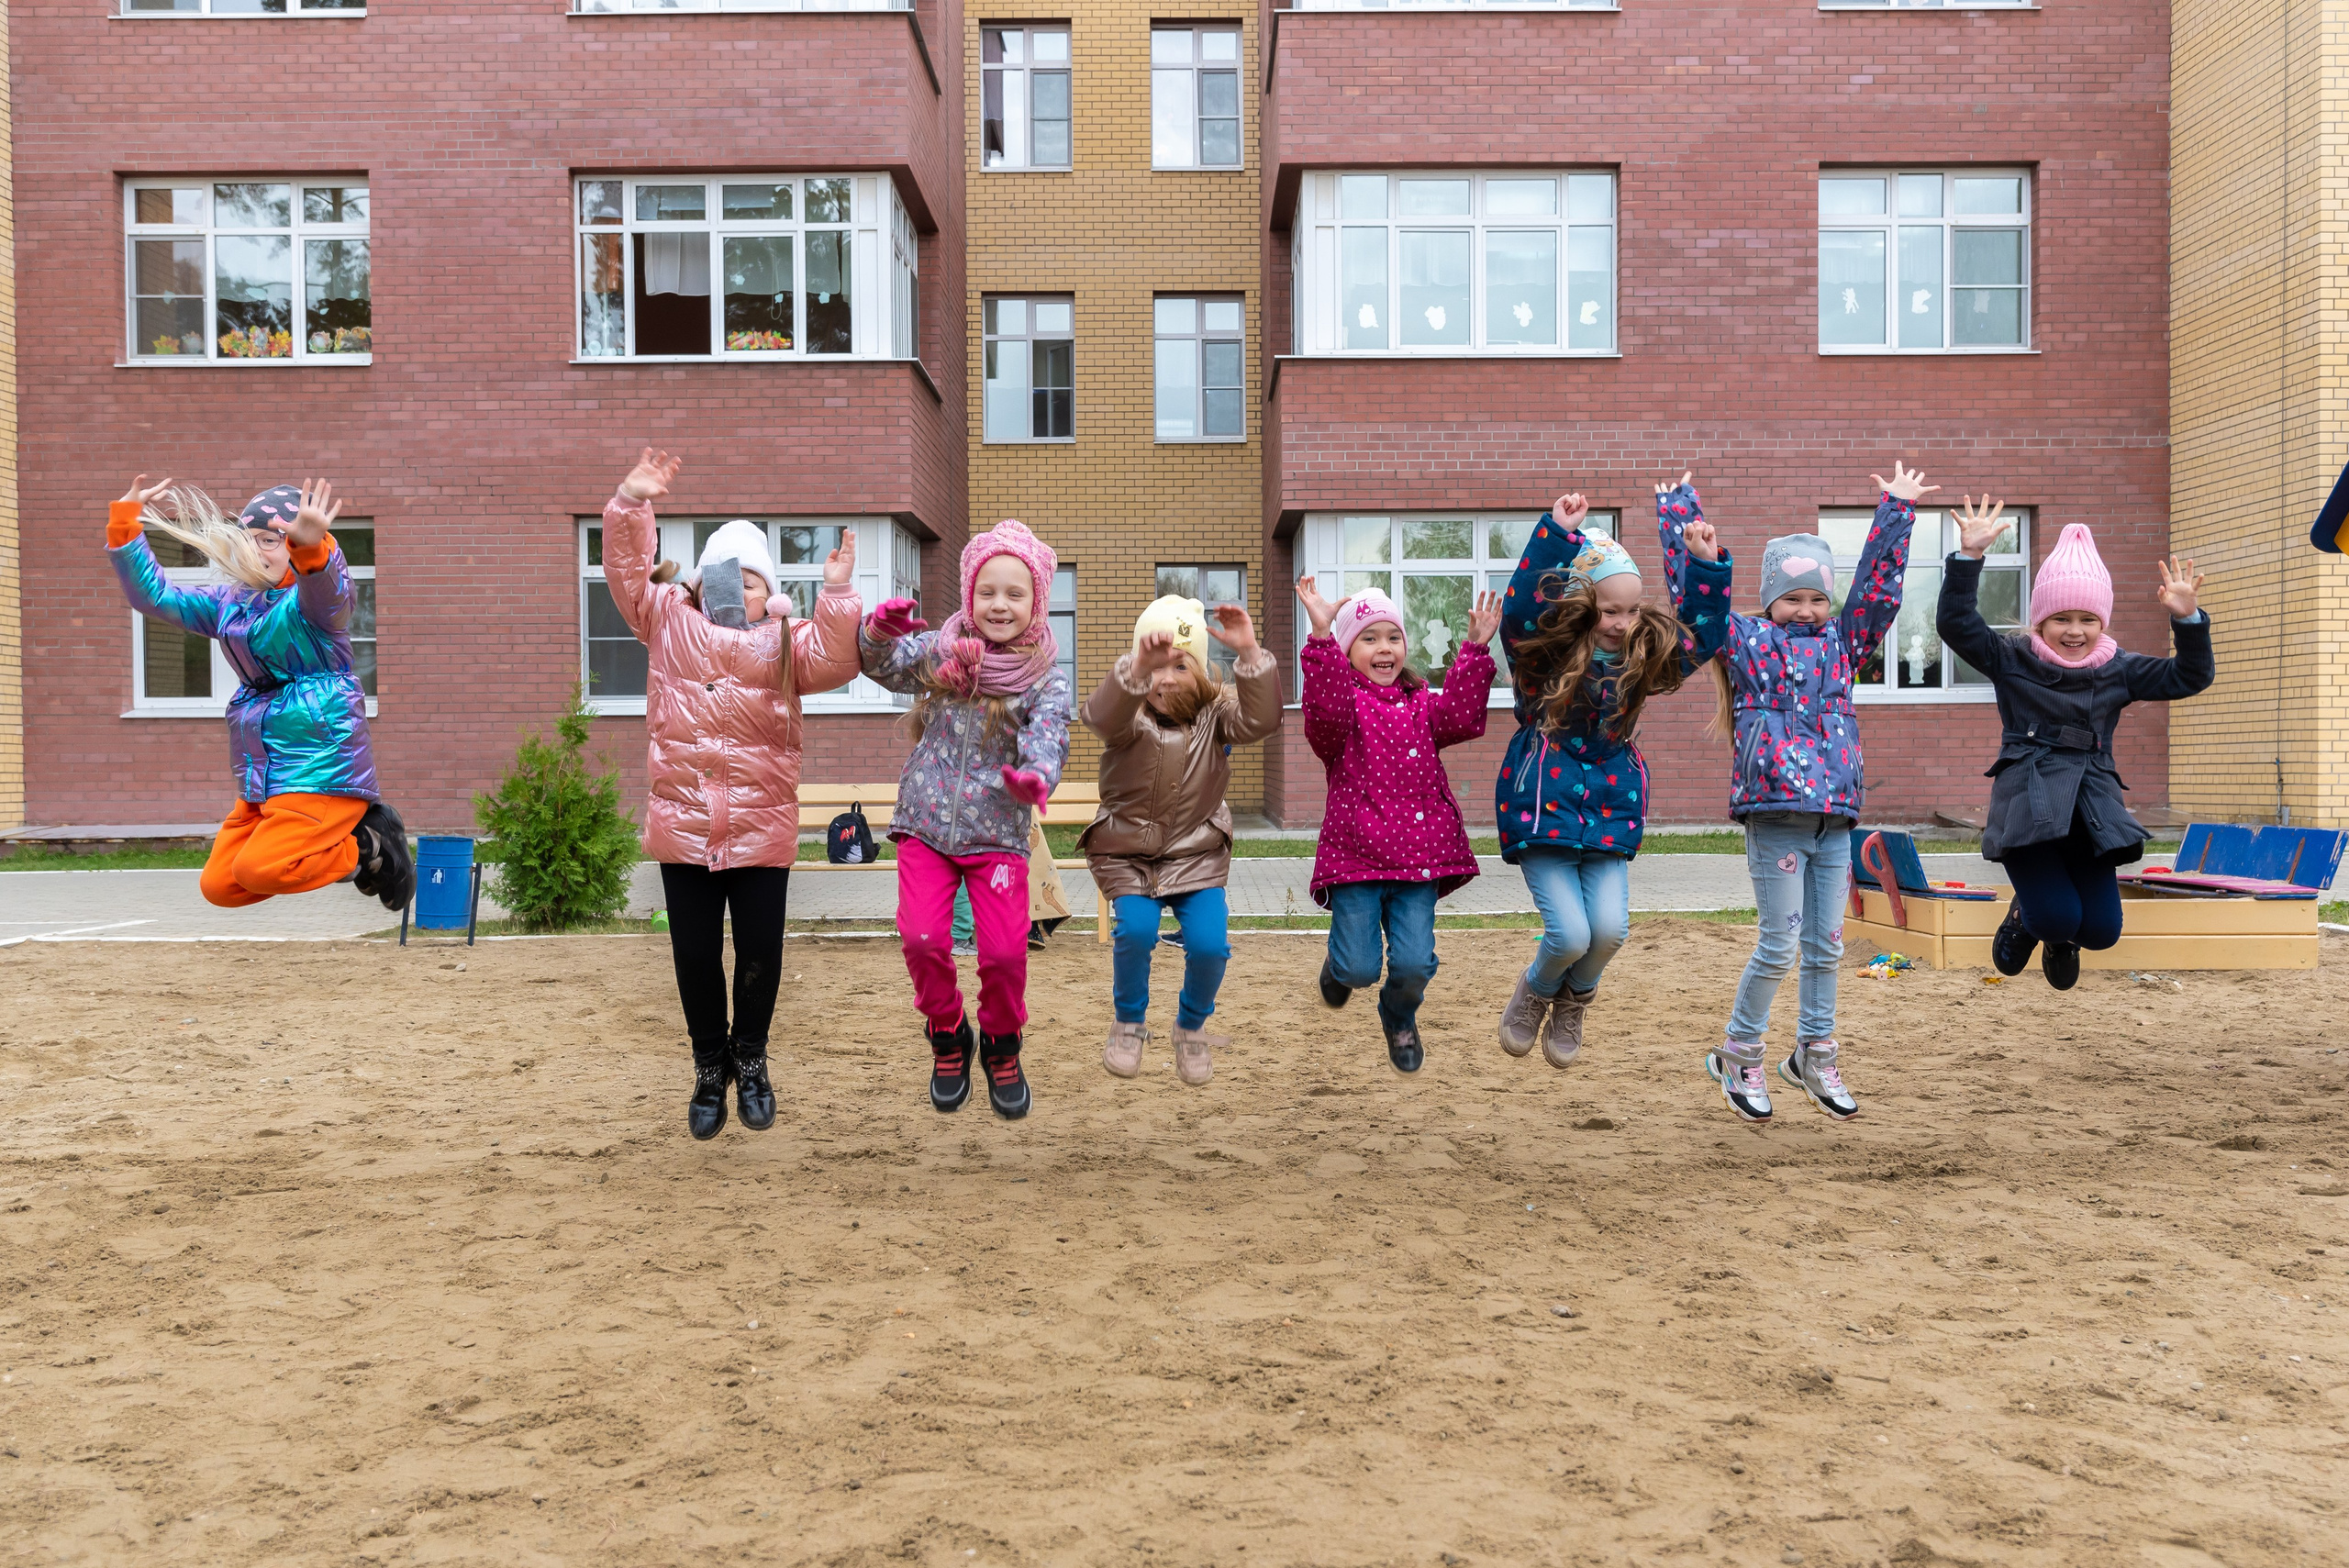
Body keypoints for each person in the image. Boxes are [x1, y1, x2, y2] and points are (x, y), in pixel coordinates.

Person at [601, 448, 864, 1140]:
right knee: (694, 956)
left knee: (758, 954)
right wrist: (630, 503)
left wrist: (838, 594)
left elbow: (839, 658)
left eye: (753, 582)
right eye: (728, 577)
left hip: (760, 827)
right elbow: (626, 574)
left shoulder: (785, 642)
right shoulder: (667, 621)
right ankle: (707, 1065)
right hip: (685, 825)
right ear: (701, 581)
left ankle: (750, 1057)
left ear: (770, 593)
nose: (740, 591)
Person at [1685, 463, 1932, 1123]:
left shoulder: (1844, 645)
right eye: (1792, 597)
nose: (1806, 609)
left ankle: (1814, 1053)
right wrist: (1696, 548)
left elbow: (1877, 593)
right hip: (1777, 821)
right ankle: (1740, 1052)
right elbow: (1701, 615)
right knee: (1778, 944)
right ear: (1769, 601)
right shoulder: (1747, 643)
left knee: (1826, 946)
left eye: (1817, 598)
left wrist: (1896, 512)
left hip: (1834, 822)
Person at [1492, 487, 1733, 1068]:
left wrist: (1704, 567)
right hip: (1544, 804)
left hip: (1609, 806)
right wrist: (1556, 535)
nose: (1623, 623)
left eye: (1632, 610)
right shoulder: (1542, 655)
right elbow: (1520, 612)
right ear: (1581, 605)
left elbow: (1701, 638)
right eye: (1609, 611)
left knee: (1609, 931)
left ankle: (1575, 998)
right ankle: (1536, 990)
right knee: (1569, 935)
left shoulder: (1639, 658)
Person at [107, 473, 414, 914]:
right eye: (249, 541)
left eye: (270, 540)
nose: (256, 551)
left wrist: (309, 545)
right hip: (263, 775)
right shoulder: (230, 604)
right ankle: (357, 843)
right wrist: (125, 524)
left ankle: (366, 844)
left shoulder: (316, 607)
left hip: (321, 768)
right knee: (221, 885)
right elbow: (154, 597)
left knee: (261, 870)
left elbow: (326, 583)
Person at [1936, 502, 2212, 989]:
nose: (2074, 631)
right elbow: (1957, 624)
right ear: (2040, 621)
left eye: (2088, 618)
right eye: (2061, 618)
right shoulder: (2012, 658)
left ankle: (2055, 930)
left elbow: (2190, 676)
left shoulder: (2118, 668)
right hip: (2029, 806)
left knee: (2102, 932)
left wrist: (2188, 621)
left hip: (2091, 810)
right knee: (2056, 916)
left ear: (2102, 623)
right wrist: (1969, 558)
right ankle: (2028, 918)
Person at [862, 519, 1073, 1120]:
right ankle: (948, 1032)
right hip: (926, 824)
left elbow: (1049, 735)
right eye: (987, 591)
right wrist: (877, 633)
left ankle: (1002, 1044)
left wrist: (1036, 775)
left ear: (1037, 602)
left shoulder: (1043, 678)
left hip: (998, 834)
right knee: (923, 939)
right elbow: (884, 665)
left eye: (1015, 593)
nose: (999, 604)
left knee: (1004, 955)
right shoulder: (944, 652)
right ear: (968, 595)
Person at [1296, 578, 1502, 1073]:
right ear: (1348, 652)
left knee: (1414, 964)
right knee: (1357, 967)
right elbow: (1323, 714)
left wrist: (1475, 650)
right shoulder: (1343, 709)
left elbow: (1462, 718)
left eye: (1392, 637)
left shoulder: (1422, 705)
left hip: (1418, 861)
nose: (1384, 648)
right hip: (1357, 859)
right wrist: (1321, 637)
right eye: (1368, 638)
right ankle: (1339, 968)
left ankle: (1399, 1015)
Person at [1085, 594, 1282, 1086]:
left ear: (1200, 670)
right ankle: (1129, 1023)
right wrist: (1134, 670)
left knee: (1211, 945)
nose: (1166, 679)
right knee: (1135, 930)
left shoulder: (1217, 716)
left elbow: (1262, 720)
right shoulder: (1128, 718)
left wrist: (1250, 655)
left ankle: (1191, 1027)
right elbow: (1099, 717)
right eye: (1155, 667)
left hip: (1196, 854)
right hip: (1128, 855)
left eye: (1180, 666)